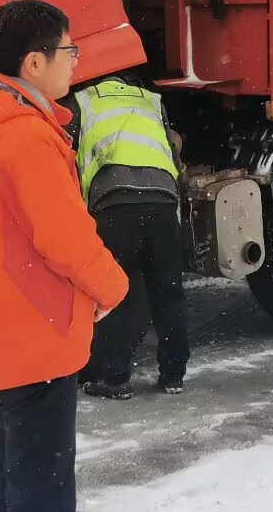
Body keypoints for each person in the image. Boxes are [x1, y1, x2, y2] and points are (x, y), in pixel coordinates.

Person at [0, 0, 129, 512]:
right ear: (34, 62)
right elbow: (64, 238)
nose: (75, 61)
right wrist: (114, 286)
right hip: (34, 340)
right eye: (69, 51)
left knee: (12, 480)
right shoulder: (25, 137)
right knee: (41, 493)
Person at [71, 73, 190, 400]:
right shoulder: (151, 99)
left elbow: (68, 158)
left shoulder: (82, 100)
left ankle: (115, 379)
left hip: (114, 205)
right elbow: (172, 152)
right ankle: (174, 374)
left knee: (114, 293)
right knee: (168, 292)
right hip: (162, 203)